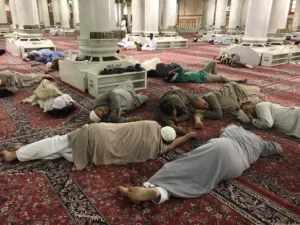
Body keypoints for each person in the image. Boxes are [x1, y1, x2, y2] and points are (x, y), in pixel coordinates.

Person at [118, 124, 282, 204]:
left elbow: (223, 130)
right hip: (237, 167)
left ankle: (148, 186)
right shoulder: (260, 143)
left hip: (222, 147)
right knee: (202, 179)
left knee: (182, 166)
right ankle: (158, 192)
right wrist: (264, 144)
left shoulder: (233, 128)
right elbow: (278, 148)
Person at [1, 121, 197, 171]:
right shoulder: (159, 149)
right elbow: (174, 144)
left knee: (57, 143)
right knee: (62, 153)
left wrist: (179, 129)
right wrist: (188, 136)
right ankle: (24, 152)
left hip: (96, 134)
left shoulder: (151, 125)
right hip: (98, 155)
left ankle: (16, 155)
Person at [192, 82, 261, 129]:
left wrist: (202, 111)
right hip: (239, 101)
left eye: (205, 104)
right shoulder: (201, 106)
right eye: (203, 108)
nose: (206, 107)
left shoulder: (210, 96)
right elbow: (198, 113)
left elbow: (218, 115)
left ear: (203, 99)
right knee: (257, 101)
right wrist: (198, 121)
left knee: (257, 90)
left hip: (235, 90)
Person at [165, 60, 247, 84]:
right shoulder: (180, 78)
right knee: (222, 77)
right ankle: (237, 81)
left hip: (202, 72)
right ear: (173, 76)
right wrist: (172, 70)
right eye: (173, 74)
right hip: (204, 77)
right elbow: (180, 68)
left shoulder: (179, 76)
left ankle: (215, 77)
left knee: (213, 62)